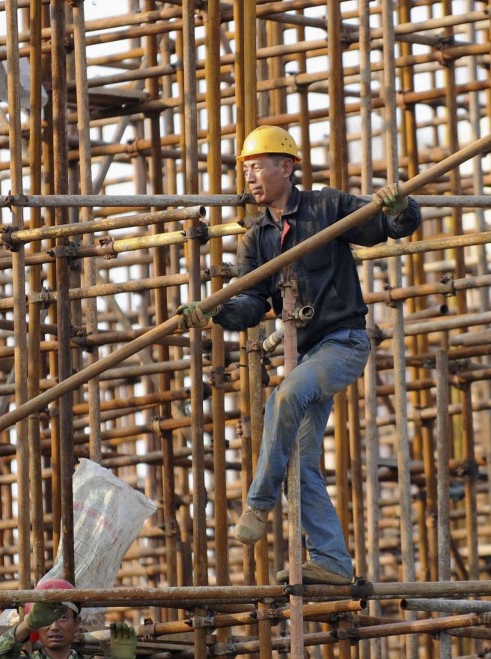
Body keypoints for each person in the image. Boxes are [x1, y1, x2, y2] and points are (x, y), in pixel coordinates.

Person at [180, 125, 421, 585]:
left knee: (285, 398)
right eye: (245, 168)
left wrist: (400, 207)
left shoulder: (327, 207)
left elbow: (386, 228)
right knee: (300, 461)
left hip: (344, 343)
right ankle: (331, 560)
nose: (250, 177)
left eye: (258, 167)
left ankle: (258, 503)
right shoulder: (257, 239)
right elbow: (252, 303)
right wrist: (215, 313)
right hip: (307, 355)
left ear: (287, 167)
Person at [0, 579, 143, 659]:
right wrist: (27, 625)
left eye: (63, 618)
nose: (54, 626)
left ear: (77, 623)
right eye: (47, 620)